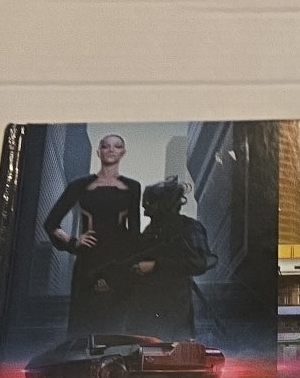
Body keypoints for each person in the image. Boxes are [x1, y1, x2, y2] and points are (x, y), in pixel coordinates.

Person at [42, 133, 142, 336]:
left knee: (117, 327)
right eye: (106, 146)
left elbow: (134, 231)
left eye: (117, 146)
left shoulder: (133, 186)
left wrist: (133, 265)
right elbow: (51, 223)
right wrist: (73, 242)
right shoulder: (79, 185)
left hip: (120, 264)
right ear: (98, 152)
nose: (111, 149)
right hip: (89, 262)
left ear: (123, 152)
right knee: (84, 326)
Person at [124, 176, 217, 341]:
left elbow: (200, 263)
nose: (145, 212)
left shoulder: (189, 228)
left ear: (163, 204)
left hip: (173, 314)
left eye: (149, 205)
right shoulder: (149, 232)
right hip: (143, 315)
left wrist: (157, 265)